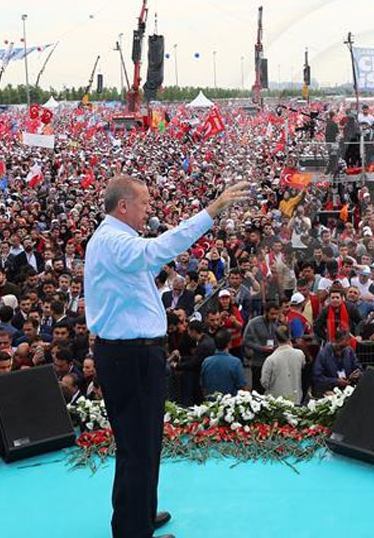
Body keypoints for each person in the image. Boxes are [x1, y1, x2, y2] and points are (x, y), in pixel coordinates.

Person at [83, 173, 248, 538]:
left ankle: (140, 514)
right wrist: (211, 212)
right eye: (143, 204)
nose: (148, 210)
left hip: (134, 355)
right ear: (123, 205)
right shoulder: (113, 240)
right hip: (130, 357)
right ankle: (132, 531)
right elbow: (157, 250)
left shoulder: (118, 239)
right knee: (137, 447)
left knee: (144, 443)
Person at [260, 325, 306, 403]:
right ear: (289, 336)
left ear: (276, 338)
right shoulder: (299, 354)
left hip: (276, 401)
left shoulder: (271, 359)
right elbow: (303, 365)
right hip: (295, 398)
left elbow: (264, 383)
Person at [312, 329, 361, 396]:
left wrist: (357, 373)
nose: (341, 351)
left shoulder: (349, 351)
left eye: (345, 347)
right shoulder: (323, 354)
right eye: (341, 347)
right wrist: (336, 381)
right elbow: (317, 378)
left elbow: (358, 367)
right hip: (329, 391)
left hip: (348, 389)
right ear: (334, 341)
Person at [199, 329, 247, 397]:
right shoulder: (235, 362)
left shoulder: (206, 362)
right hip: (230, 402)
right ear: (229, 343)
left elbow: (203, 384)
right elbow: (241, 386)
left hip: (211, 402)